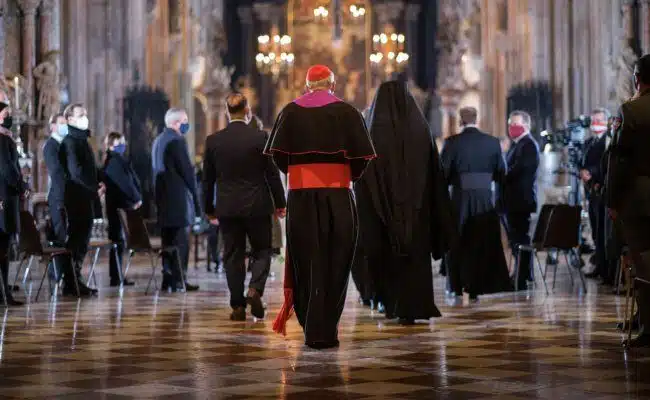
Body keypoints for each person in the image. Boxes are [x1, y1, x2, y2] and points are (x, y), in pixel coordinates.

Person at [266, 65, 376, 349]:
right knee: (337, 260)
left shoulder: (290, 112)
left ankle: (310, 324)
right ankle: (326, 327)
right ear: (333, 84)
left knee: (305, 259)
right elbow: (362, 161)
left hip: (301, 198)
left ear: (306, 86)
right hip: (338, 196)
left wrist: (301, 173)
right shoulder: (348, 113)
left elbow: (278, 158)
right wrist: (342, 174)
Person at [354, 80, 455, 324]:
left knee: (387, 256)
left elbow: (362, 177)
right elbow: (436, 174)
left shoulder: (372, 131)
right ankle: (416, 305)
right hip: (417, 212)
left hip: (383, 213)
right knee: (416, 259)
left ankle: (391, 305)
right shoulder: (421, 129)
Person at [203, 93, 286, 321]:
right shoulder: (260, 138)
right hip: (257, 206)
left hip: (227, 208)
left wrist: (208, 208)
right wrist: (280, 204)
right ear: (247, 111)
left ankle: (237, 306)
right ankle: (255, 290)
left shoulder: (214, 141)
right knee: (262, 250)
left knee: (233, 255)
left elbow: (207, 180)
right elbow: (272, 175)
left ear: (227, 113)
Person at [441, 107, 511, 300]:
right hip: (484, 199)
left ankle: (455, 286)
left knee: (457, 240)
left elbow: (443, 174)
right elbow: (501, 173)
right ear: (476, 120)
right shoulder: (492, 142)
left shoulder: (452, 142)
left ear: (460, 121)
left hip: (460, 198)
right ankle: (478, 286)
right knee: (481, 241)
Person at [606, 54, 650, 347]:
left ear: (637, 78)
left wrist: (612, 200)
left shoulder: (631, 110)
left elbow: (618, 160)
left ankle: (648, 326)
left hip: (640, 200)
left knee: (644, 264)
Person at [152, 108, 201, 292]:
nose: (187, 124)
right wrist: (196, 202)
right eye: (185, 120)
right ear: (176, 123)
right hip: (178, 200)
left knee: (168, 242)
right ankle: (180, 279)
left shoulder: (157, 141)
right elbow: (187, 173)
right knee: (181, 242)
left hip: (162, 200)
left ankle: (168, 279)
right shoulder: (177, 141)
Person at [59, 103, 100, 296]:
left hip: (85, 196)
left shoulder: (81, 140)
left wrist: (100, 182)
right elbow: (76, 172)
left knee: (82, 240)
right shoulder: (70, 141)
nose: (85, 117)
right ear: (70, 120)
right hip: (77, 197)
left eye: (85, 113)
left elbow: (90, 168)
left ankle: (75, 279)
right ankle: (71, 281)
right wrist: (93, 187)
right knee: (77, 239)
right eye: (80, 114)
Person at [501, 110, 540, 290]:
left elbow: (519, 169)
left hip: (520, 200)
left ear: (526, 125)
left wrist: (503, 174)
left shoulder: (528, 145)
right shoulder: (517, 145)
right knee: (516, 240)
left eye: (516, 124)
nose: (512, 128)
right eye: (510, 124)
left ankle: (522, 277)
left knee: (521, 240)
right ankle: (523, 273)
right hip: (513, 200)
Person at [103, 132, 141, 287]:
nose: (122, 146)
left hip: (118, 204)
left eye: (123, 142)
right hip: (117, 205)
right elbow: (125, 182)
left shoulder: (115, 159)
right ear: (111, 145)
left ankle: (117, 275)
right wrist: (136, 198)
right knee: (118, 241)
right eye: (119, 143)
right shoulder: (114, 161)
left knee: (119, 242)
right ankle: (116, 276)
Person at [0, 101, 27, 305]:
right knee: (3, 249)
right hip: (5, 199)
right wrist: (22, 186)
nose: (9, 117)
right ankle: (4, 294)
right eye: (6, 113)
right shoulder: (2, 141)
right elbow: (8, 169)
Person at [580, 108, 609, 283]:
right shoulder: (589, 142)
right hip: (590, 192)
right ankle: (598, 264)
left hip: (601, 190)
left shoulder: (608, 142)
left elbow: (605, 165)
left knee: (602, 231)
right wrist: (582, 171)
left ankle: (605, 269)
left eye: (599, 120)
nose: (596, 123)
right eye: (593, 120)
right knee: (595, 232)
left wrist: (591, 172)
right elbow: (583, 162)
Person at [43, 113, 70, 283]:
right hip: (59, 197)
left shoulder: (64, 144)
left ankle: (67, 275)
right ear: (52, 126)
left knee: (66, 237)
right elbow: (57, 172)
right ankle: (57, 275)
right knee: (59, 237)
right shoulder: (51, 146)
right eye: (61, 123)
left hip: (67, 197)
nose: (64, 126)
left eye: (65, 123)